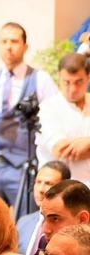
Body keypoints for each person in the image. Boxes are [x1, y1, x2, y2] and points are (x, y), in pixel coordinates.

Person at [0, 22, 61, 203]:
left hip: (24, 168)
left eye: (14, 41)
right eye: (4, 42)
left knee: (25, 217)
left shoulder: (40, 79)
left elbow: (54, 120)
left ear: (25, 46)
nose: (8, 47)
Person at [36, 52, 90, 184]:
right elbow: (62, 150)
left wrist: (87, 142)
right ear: (59, 77)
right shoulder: (47, 108)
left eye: (78, 82)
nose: (72, 89)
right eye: (67, 82)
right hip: (59, 189)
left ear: (88, 78)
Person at [16, 160, 72, 255]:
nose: (41, 189)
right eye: (38, 182)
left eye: (48, 183)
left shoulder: (70, 225)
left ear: (65, 188)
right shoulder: (23, 222)